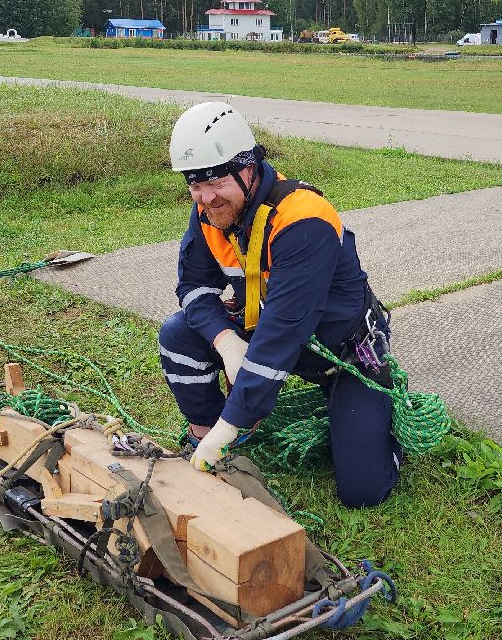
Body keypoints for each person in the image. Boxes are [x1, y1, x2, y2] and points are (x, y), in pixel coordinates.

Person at [158, 102, 400, 507]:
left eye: (215, 181)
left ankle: (381, 423)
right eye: (193, 184)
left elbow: (281, 336)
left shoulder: (304, 220)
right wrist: (226, 342)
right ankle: (202, 432)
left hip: (340, 355)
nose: (205, 197)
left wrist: (230, 426)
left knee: (363, 490)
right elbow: (193, 286)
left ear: (248, 166)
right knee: (178, 333)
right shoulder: (208, 211)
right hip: (267, 328)